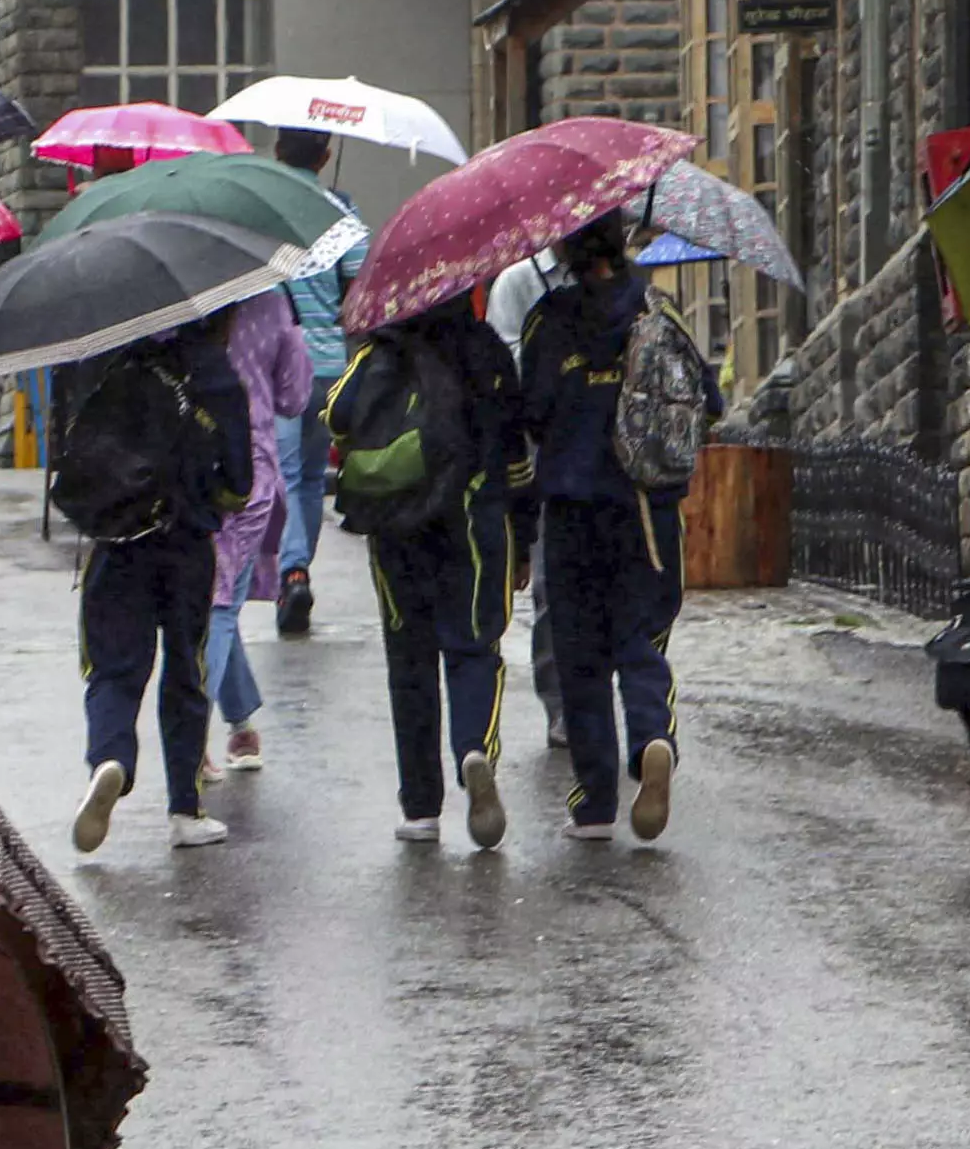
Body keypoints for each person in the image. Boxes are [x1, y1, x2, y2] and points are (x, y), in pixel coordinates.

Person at [515, 224, 716, 841]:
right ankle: (653, 735)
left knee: (578, 657)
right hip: (648, 513)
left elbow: (533, 416)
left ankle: (596, 802)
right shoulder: (659, 312)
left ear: (566, 251)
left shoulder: (548, 320)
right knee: (640, 640)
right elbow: (709, 398)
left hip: (574, 510)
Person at [66, 308, 252, 854]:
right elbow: (240, 484)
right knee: (186, 672)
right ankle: (185, 811)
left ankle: (111, 760)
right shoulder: (215, 374)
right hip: (186, 546)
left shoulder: (106, 357)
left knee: (113, 669)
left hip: (116, 542)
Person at [353, 288, 531, 850]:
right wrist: (522, 540)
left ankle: (421, 808)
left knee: (408, 660)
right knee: (474, 645)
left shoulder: (379, 355)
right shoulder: (486, 354)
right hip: (473, 522)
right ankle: (474, 747)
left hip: (396, 529)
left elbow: (335, 413)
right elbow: (517, 461)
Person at [197, 282, 313, 774]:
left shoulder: (186, 300)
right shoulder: (270, 301)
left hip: (191, 472)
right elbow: (294, 397)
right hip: (250, 475)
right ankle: (192, 735)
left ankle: (241, 723)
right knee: (221, 605)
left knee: (214, 598)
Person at [266, 126, 365, 638]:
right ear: (325, 156)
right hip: (328, 365)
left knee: (282, 473)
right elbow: (359, 290)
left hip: (278, 363)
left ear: (277, 151)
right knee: (306, 477)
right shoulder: (341, 215)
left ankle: (293, 571)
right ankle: (297, 570)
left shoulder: (261, 207)